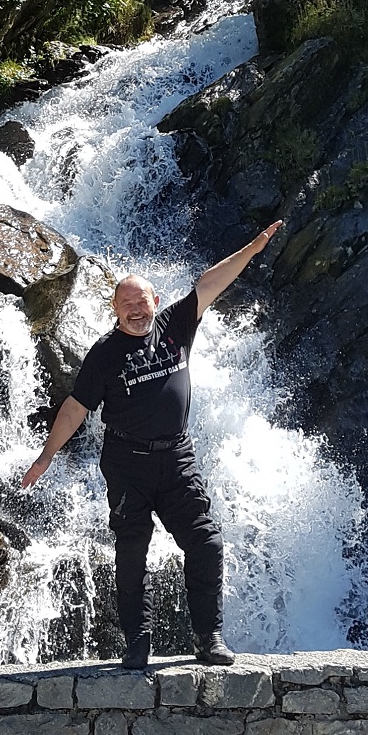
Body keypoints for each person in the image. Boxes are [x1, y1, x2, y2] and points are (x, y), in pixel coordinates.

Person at [21, 222, 283, 669]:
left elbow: (210, 283)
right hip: (127, 463)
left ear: (155, 302)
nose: (135, 311)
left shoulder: (177, 324)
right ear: (115, 311)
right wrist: (47, 456)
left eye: (141, 302)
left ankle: (208, 637)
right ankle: (137, 643)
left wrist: (253, 248)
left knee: (206, 543)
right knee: (132, 554)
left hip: (177, 458)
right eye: (126, 306)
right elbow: (75, 407)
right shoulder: (105, 353)